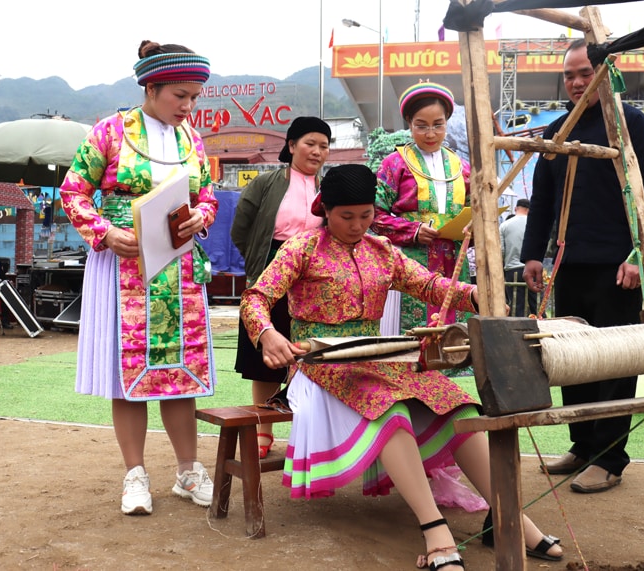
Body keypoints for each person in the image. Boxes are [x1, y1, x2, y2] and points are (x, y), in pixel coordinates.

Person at [240, 164, 563, 568]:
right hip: (319, 363)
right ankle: (435, 530)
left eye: (366, 215)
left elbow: (429, 285)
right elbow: (254, 297)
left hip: (378, 357)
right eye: (346, 216)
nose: (358, 225)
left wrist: (478, 294)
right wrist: (268, 335)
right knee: (388, 409)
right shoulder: (301, 248)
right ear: (326, 209)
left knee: (457, 405)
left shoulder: (382, 250)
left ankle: (509, 516)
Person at [60, 39, 218, 516]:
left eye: (194, 97)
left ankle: (188, 472)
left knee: (180, 372)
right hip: (122, 267)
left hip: (178, 268)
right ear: (151, 87)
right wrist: (106, 233)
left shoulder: (193, 139)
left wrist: (201, 217)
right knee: (124, 372)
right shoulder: (109, 133)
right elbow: (73, 194)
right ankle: (135, 475)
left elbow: (207, 194)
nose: (188, 107)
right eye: (180, 96)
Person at [521, 39, 644, 493]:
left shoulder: (632, 126)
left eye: (585, 73)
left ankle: (609, 458)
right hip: (568, 264)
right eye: (569, 75)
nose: (577, 81)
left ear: (605, 74)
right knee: (573, 360)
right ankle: (581, 446)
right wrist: (531, 254)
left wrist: (640, 256)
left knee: (616, 364)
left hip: (618, 267)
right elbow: (541, 200)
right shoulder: (559, 130)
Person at [230, 116, 331, 459]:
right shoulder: (265, 184)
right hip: (271, 272)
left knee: (311, 353)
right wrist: (261, 262)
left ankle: (313, 432)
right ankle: (264, 429)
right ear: (291, 146)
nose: (317, 151)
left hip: (316, 276)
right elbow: (240, 230)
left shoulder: (329, 188)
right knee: (268, 355)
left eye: (323, 145)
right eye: (310, 143)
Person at [372, 81, 471, 334]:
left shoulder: (462, 167)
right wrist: (413, 230)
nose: (430, 134)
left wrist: (472, 226)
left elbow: (474, 211)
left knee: (455, 329)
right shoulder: (394, 164)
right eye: (421, 126)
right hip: (412, 259)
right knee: (412, 334)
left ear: (447, 122)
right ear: (409, 123)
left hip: (454, 260)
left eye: (438, 125)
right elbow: (374, 213)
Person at [500, 198, 537, 317]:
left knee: (516, 306)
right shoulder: (534, 224)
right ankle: (542, 329)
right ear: (529, 210)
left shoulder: (504, 225)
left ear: (516, 209)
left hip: (512, 270)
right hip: (533, 268)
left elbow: (501, 250)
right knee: (536, 304)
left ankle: (516, 332)